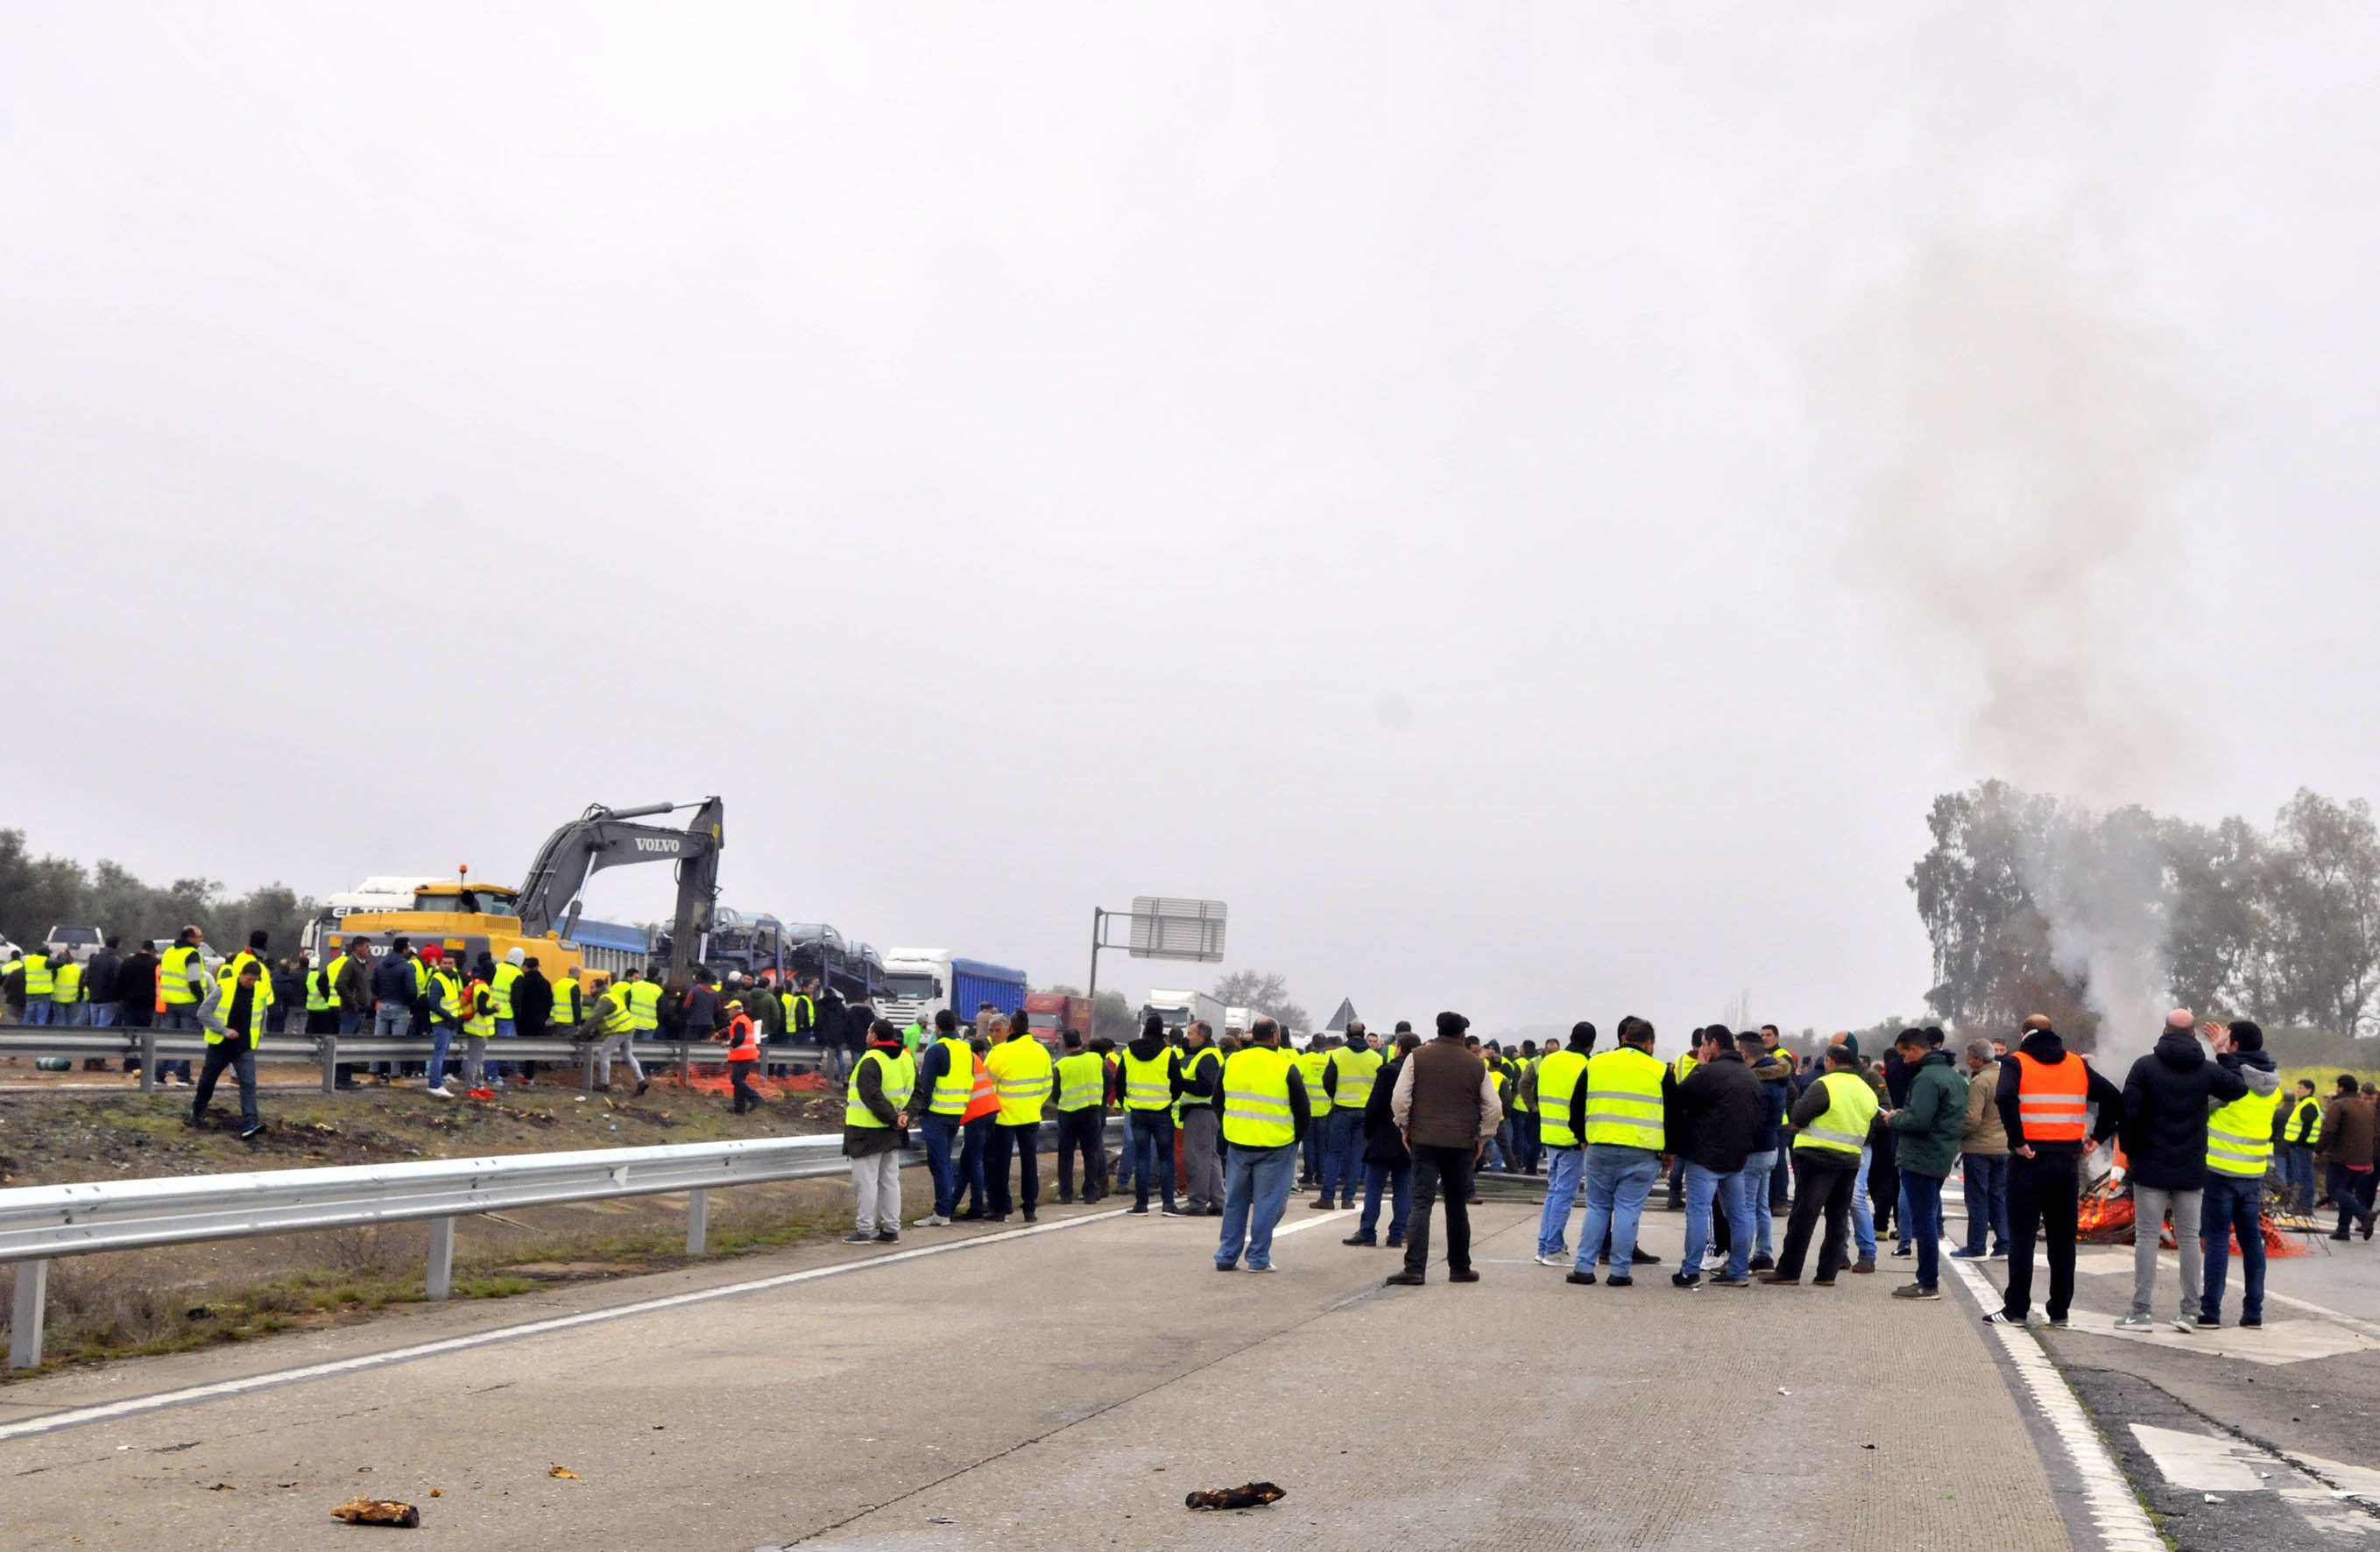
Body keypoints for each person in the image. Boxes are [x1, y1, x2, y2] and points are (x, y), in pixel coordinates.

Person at [2109, 1011, 2244, 1330]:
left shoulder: (2144, 1067)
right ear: (2194, 1033)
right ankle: (2190, 1312)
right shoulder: (2206, 1069)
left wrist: (2133, 1155)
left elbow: (2128, 1114)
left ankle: (2141, 1312)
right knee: (2188, 1239)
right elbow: (2237, 1089)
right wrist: (2223, 1053)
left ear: (2164, 1030)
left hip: (2151, 1167)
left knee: (2145, 1238)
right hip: (2191, 1166)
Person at [1986, 1014, 2122, 1328]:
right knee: (2063, 1240)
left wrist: (2017, 1141)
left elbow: (2004, 1097)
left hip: (2028, 1159)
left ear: (2024, 1035)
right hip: (2066, 1161)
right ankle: (2059, 1310)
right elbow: (2114, 1097)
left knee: (2022, 1237)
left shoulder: (2016, 1062)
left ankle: (2016, 1310)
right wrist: (2097, 1138)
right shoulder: (2076, 1064)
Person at [1381, 1012, 1500, 1287]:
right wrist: (1482, 1138)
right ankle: (1459, 1267)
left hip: (1424, 1141)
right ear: (1462, 1035)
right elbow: (1493, 1108)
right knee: (1457, 1206)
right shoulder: (1476, 1065)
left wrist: (1405, 1128)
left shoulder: (1417, 1057)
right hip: (1461, 1145)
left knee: (1421, 1203)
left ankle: (1414, 1269)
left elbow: (1399, 1099)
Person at [1761, 1041, 1878, 1287]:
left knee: (1804, 1216)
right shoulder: (1866, 1090)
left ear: (1830, 1061)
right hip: (1850, 1160)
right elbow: (1873, 1127)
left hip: (1818, 1158)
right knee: (1838, 1218)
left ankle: (1789, 1271)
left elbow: (1800, 1115)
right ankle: (1827, 1274)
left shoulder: (1825, 1084)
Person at [1567, 1016, 1671, 1287]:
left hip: (1600, 1147)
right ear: (1650, 1043)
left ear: (1624, 1039)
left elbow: (1577, 1104)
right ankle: (1620, 1272)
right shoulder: (1660, 1070)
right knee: (1628, 1209)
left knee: (1597, 1208)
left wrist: (1582, 1137)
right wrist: (1669, 1151)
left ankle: (1584, 1268)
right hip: (1642, 1151)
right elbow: (1673, 1115)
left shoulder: (1596, 1063)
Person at [2198, 1019, 2283, 1328]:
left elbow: (2202, 1102)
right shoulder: (2273, 1083)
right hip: (2253, 1174)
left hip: (2219, 1172)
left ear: (2234, 1045)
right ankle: (2253, 1312)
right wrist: (2224, 1053)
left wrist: (2217, 1055)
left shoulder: (2232, 1080)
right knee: (2251, 1242)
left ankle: (2210, 1312)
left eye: (2227, 1038)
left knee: (2218, 1241)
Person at [1215, 1018, 1311, 1273]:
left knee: (1235, 1201)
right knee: (1269, 1203)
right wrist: (1295, 1137)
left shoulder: (1232, 1062)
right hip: (1275, 1145)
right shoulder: (1286, 1066)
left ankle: (1226, 1256)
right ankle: (1257, 1257)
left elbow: (1217, 1101)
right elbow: (1303, 1109)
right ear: (1275, 1037)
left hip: (1238, 1143)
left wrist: (1229, 1128)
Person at [1669, 1025, 1762, 1289]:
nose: (1701, 1049)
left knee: (1698, 1212)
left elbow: (1680, 1096)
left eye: (1704, 1044)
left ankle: (1690, 1271)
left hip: (1705, 1154)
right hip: (1737, 1156)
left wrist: (1699, 1067)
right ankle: (1739, 1270)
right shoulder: (1750, 1076)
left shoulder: (1709, 1072)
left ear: (1714, 1044)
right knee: (1739, 1214)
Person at [1882, 1026, 1968, 1302]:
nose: (1903, 1061)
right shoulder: (1952, 1077)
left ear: (1915, 1049)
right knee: (1928, 1217)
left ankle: (1927, 1282)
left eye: (1904, 1054)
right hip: (1940, 1154)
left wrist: (1894, 1118)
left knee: (1924, 1222)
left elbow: (1918, 1121)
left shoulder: (1926, 1079)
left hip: (1921, 1156)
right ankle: (1927, 1280)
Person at [1345, 1028, 1422, 1248]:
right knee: (1403, 1188)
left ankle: (1368, 1231)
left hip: (1383, 1137)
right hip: (1409, 1137)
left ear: (1398, 1048)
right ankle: (1397, 1233)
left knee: (1375, 1187)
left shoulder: (1388, 1071)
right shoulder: (1421, 1074)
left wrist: (1369, 1131)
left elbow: (1374, 1106)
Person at [843, 1019, 915, 1244]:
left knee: (865, 1182)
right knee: (889, 1181)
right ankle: (891, 1229)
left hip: (866, 1130)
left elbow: (871, 1095)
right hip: (892, 1131)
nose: (867, 1035)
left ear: (873, 1036)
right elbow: (917, 1091)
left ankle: (864, 1229)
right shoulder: (905, 1058)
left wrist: (893, 1119)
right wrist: (905, 1116)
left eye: (868, 1031)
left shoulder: (870, 1060)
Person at [1529, 1023, 1595, 1266]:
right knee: (1564, 1196)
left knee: (1554, 1193)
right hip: (1572, 1139)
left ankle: (1544, 1245)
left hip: (1549, 1135)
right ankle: (1553, 1248)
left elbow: (1536, 1094)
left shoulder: (1548, 1061)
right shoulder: (1586, 1065)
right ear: (1591, 1044)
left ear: (1570, 1038)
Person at [983, 1011, 1054, 1222]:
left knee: (1001, 1164)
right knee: (1029, 1162)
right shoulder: (1042, 1052)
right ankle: (1030, 1209)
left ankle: (999, 1209)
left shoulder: (1000, 1052)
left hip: (1004, 1117)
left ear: (1011, 1029)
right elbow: (1047, 1086)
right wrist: (1033, 1103)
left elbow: (988, 1086)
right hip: (1031, 1115)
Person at [190, 956, 267, 1139]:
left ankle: (250, 1122)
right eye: (248, 979)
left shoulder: (261, 991)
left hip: (244, 1048)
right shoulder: (225, 987)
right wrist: (223, 1030)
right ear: (241, 974)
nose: (251, 983)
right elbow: (203, 1012)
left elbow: (263, 1016)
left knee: (248, 1084)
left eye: (254, 980)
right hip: (220, 1045)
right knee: (207, 1082)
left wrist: (258, 1038)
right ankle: (197, 1112)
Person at [910, 1009, 973, 1228]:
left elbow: (925, 1084)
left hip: (936, 1114)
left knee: (940, 1164)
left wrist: (920, 1110)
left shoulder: (937, 1050)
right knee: (944, 1161)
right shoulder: (966, 1049)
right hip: (957, 1113)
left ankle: (942, 1212)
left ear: (937, 1028)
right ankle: (945, 1208)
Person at [1119, 1014, 1186, 1217]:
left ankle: (1141, 1205)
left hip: (1137, 1111)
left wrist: (1129, 1101)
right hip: (1161, 1113)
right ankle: (1168, 1204)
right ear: (1161, 1032)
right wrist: (1168, 1099)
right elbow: (1178, 1085)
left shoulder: (1128, 1052)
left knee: (1142, 1158)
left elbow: (1120, 1082)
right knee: (1166, 1159)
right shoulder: (1168, 1054)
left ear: (1145, 1029)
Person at [1315, 1020, 1379, 1210]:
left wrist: (1336, 1096)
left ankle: (1327, 1198)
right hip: (1365, 1111)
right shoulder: (1375, 1058)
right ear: (1364, 1034)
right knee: (1357, 1155)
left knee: (1334, 1154)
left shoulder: (1337, 1055)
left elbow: (1328, 1080)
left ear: (1347, 1034)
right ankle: (1348, 1199)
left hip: (1342, 1110)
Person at [2317, 1073, 2377, 1239]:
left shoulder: (2339, 1105)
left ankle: (2364, 1215)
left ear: (2341, 1088)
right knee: (2348, 1192)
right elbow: (2374, 1135)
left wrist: (2318, 1150)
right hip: (2364, 1158)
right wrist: (2370, 1159)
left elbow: (2329, 1130)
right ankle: (2343, 1229)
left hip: (2343, 1157)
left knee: (2335, 1190)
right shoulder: (2369, 1107)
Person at [1052, 1029, 1109, 1203]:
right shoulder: (1095, 1059)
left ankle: (1066, 1194)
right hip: (1092, 1111)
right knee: (1090, 1153)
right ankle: (1091, 1192)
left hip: (1068, 1114)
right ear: (1080, 1041)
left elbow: (1055, 1093)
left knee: (1066, 1155)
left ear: (1064, 1043)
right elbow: (1108, 1079)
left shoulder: (1061, 1065)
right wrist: (1101, 1098)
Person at [1176, 1020, 1225, 1216]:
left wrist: (1182, 1083)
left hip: (1200, 1113)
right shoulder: (1209, 1054)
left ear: (1201, 1036)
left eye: (1190, 1033)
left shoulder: (1206, 1057)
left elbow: (1207, 1087)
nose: (1187, 1037)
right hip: (1206, 1113)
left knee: (1196, 1158)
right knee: (1209, 1158)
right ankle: (1218, 1201)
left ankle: (1197, 1203)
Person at [155, 927, 209, 1085]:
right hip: (188, 1002)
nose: (201, 939)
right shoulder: (192, 954)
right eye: (199, 937)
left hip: (169, 1002)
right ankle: (182, 1076)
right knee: (186, 1041)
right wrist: (202, 999)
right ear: (190, 938)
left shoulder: (169, 952)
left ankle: (158, 1076)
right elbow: (194, 981)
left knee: (167, 1041)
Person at [587, 972, 649, 1097]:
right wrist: (594, 1033)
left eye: (592, 987)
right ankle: (641, 1081)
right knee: (628, 1056)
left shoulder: (603, 1000)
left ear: (599, 988)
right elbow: (605, 1020)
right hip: (628, 1028)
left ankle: (604, 1084)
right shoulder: (611, 996)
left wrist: (581, 1033)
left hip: (619, 1030)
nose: (590, 990)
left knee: (604, 1054)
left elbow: (595, 1018)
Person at [422, 949, 466, 1097]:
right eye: (445, 963)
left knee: (442, 1053)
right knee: (439, 1054)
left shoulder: (454, 977)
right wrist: (450, 1017)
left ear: (454, 964)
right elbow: (433, 1004)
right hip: (441, 1022)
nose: (447, 965)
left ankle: (436, 1082)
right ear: (440, 963)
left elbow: (457, 998)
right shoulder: (438, 979)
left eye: (450, 963)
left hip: (449, 1022)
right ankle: (435, 1084)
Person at [86, 937, 122, 1029]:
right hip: (108, 1000)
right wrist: (117, 999)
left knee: (94, 1027)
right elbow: (117, 981)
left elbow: (87, 978)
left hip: (94, 998)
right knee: (104, 1028)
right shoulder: (116, 961)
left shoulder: (94, 959)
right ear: (117, 946)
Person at [48, 949, 86, 1026]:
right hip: (72, 997)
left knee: (60, 1020)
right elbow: (80, 984)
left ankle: (60, 1036)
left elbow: (51, 980)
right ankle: (71, 1036)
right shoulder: (76, 968)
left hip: (57, 998)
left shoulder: (56, 968)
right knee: (71, 1020)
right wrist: (80, 996)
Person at [19, 946, 53, 1026]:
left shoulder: (28, 961)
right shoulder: (45, 961)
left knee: (28, 1015)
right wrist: (62, 955)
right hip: (43, 993)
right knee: (41, 1016)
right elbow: (60, 964)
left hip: (30, 992)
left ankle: (23, 1031)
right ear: (45, 954)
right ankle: (39, 1033)